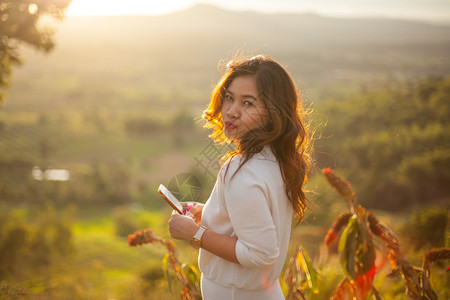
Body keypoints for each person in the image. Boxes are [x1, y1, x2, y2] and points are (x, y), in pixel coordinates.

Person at [168, 54, 311, 299]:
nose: (232, 112)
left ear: (272, 112)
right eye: (229, 98)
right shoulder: (276, 159)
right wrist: (210, 214)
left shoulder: (241, 172)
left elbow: (259, 253)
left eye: (248, 103)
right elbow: (254, 221)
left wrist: (194, 233)